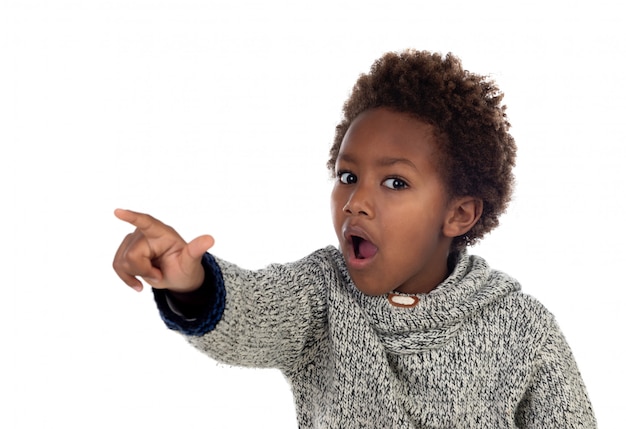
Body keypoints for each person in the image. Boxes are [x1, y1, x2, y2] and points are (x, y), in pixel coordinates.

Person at [113, 50, 596, 428]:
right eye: (347, 177)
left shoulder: (522, 328)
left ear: (459, 213)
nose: (356, 202)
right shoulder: (322, 294)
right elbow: (253, 311)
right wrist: (191, 283)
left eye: (394, 183)